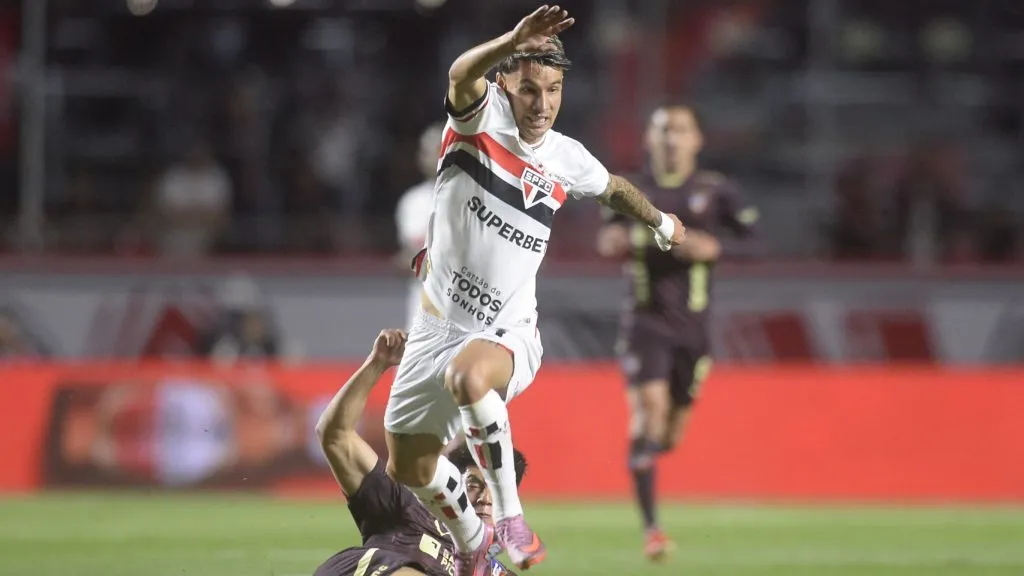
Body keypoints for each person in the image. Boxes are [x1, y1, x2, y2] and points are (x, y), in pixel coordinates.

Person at [383, 6, 686, 575]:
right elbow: (458, 75)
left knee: (469, 376)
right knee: (407, 466)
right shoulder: (478, 121)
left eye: (553, 90)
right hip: (434, 327)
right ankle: (477, 544)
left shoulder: (564, 158)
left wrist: (660, 221)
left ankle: (510, 519)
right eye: (528, 90)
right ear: (505, 85)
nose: (542, 104)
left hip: (508, 332)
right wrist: (511, 40)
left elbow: (615, 188)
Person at [596, 104, 761, 561]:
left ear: (697, 140)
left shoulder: (716, 191)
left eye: (680, 130)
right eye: (663, 130)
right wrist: (612, 242)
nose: (671, 139)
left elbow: (757, 242)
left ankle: (645, 451)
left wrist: (717, 248)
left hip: (694, 329)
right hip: (644, 321)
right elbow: (607, 235)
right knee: (649, 414)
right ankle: (653, 530)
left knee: (668, 437)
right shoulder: (633, 190)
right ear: (649, 140)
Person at [314, 329, 521, 576]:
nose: (485, 499)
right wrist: (377, 363)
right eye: (475, 484)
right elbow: (335, 436)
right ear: (449, 482)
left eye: (494, 492)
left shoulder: (494, 571)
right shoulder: (408, 503)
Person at [396, 123, 447, 327]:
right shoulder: (413, 202)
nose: (428, 157)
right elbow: (414, 259)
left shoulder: (479, 197)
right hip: (424, 316)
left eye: (436, 149)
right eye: (425, 150)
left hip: (469, 318)